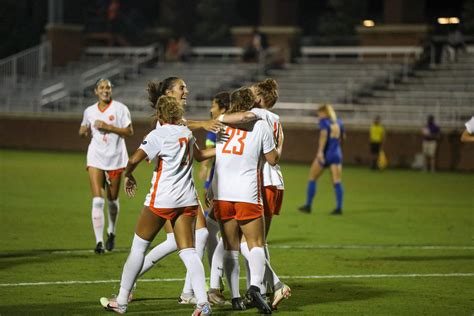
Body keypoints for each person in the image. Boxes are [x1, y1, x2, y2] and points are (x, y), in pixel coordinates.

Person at [100, 96, 215, 315]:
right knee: (189, 251)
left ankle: (122, 301)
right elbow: (200, 156)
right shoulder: (186, 133)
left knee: (138, 248)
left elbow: (133, 160)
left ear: (160, 115)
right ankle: (202, 303)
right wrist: (225, 150)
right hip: (188, 200)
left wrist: (128, 176)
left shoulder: (157, 135)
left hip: (162, 200)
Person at [128, 77, 223, 305]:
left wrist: (226, 149)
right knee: (189, 239)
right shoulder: (166, 122)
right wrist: (203, 124)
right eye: (182, 87)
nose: (186, 91)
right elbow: (182, 127)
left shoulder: (176, 120)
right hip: (168, 193)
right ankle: (130, 285)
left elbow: (196, 150)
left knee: (185, 240)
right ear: (169, 93)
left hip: (183, 190)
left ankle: (186, 293)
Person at [216, 79, 291, 310]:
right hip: (265, 183)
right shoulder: (271, 120)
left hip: (232, 188)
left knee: (233, 243)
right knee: (256, 242)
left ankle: (240, 293)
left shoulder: (229, 122)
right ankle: (262, 287)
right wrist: (280, 144)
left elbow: (219, 156)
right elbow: (273, 157)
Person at [79, 78, 133, 254]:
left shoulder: (120, 109)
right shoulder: (89, 111)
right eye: (101, 87)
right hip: (95, 157)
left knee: (112, 200)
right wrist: (82, 131)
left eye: (108, 87)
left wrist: (108, 127)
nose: (105, 90)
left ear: (111, 90)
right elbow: (83, 128)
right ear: (96, 91)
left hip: (116, 158)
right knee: (97, 200)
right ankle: (99, 242)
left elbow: (129, 131)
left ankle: (111, 231)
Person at [298, 104, 345, 215]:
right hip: (336, 154)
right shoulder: (339, 122)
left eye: (319, 113)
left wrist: (320, 152)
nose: (318, 115)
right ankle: (339, 208)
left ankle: (308, 205)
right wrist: (338, 150)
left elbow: (323, 136)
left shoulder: (324, 122)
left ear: (325, 113)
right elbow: (343, 138)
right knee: (337, 181)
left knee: (312, 178)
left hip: (326, 154)